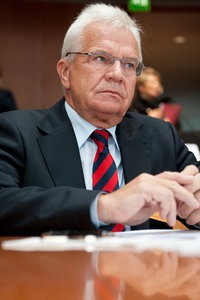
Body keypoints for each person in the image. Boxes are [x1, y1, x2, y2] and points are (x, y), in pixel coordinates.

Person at [0, 3, 199, 236]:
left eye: (128, 65)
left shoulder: (160, 136)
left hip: (143, 271)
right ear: (65, 72)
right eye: (101, 58)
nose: (117, 74)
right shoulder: (17, 131)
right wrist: (104, 206)